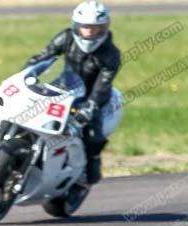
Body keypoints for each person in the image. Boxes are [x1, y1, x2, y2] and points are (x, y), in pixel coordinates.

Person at [24, 1, 120, 186]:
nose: (89, 31)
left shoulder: (110, 53)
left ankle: (92, 167)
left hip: (92, 97)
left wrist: (90, 106)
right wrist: (25, 73)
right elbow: (44, 56)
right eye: (85, 26)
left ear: (104, 27)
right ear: (77, 25)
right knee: (30, 113)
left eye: (95, 27)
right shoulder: (66, 37)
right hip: (64, 87)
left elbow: (103, 84)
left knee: (93, 135)